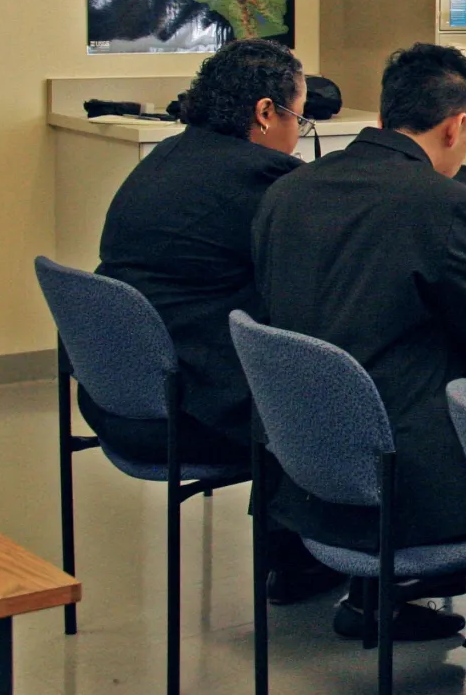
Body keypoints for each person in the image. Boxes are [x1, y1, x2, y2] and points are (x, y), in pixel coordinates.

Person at [251, 43, 466, 641]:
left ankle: (379, 600)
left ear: (382, 118)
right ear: (458, 126)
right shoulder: (444, 205)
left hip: (306, 474)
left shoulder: (287, 190)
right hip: (406, 489)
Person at [89, 39, 339, 605]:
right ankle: (308, 559)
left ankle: (295, 556)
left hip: (118, 396)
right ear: (265, 112)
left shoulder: (167, 158)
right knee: (322, 378)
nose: (298, 135)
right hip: (183, 409)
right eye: (299, 117)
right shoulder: (261, 181)